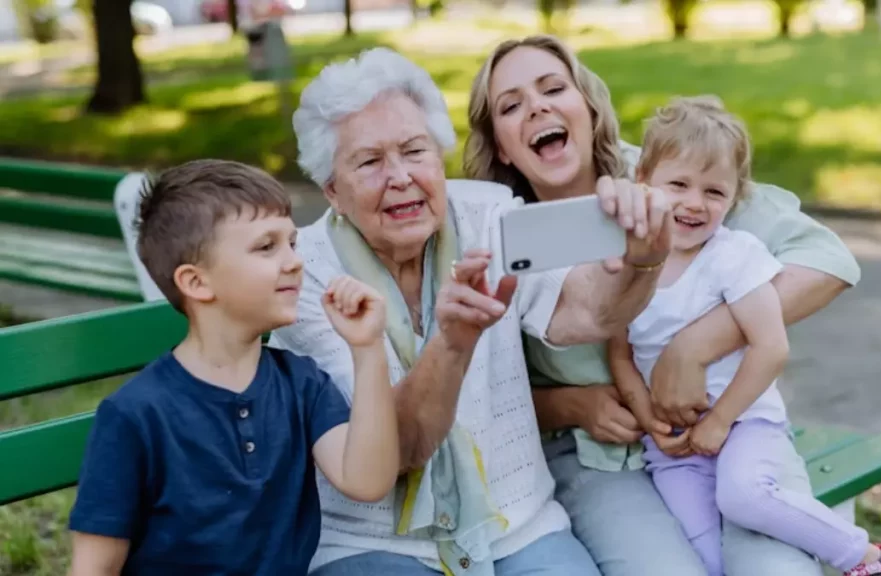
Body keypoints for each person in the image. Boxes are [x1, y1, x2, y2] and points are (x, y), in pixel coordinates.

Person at [464, 35, 863, 576]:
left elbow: (827, 261)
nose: (537, 107)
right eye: (511, 106)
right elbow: (481, 397)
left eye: (554, 88)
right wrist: (574, 406)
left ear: (588, 106)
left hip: (724, 431)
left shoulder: (669, 176)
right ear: (503, 146)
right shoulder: (498, 231)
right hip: (598, 460)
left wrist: (693, 348)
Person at [269, 47, 672, 576]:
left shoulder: (489, 215)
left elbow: (584, 312)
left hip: (517, 523)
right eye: (369, 162)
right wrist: (452, 344)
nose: (400, 177)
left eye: (415, 151)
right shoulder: (307, 275)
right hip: (374, 545)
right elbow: (398, 450)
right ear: (331, 191)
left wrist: (644, 261)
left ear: (439, 156)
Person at [608, 95, 881, 576]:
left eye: (714, 192)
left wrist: (720, 421)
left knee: (744, 496)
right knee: (697, 555)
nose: (694, 202)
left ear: (734, 197)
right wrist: (650, 421)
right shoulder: (629, 260)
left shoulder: (734, 255)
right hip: (671, 446)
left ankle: (867, 559)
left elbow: (771, 348)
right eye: (678, 184)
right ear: (643, 180)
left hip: (746, 424)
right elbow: (619, 354)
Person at [66, 160, 401, 575]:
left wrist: (368, 349)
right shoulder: (135, 416)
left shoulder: (302, 384)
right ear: (196, 282)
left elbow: (367, 481)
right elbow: (93, 569)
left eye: (292, 243)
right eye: (266, 247)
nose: (295, 261)